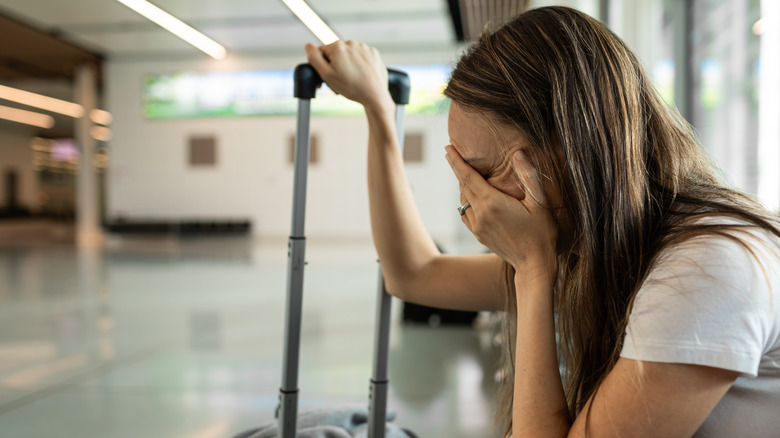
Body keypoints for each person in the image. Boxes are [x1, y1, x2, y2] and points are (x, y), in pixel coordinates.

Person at [304, 6, 780, 437]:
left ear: (567, 146)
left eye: (482, 172)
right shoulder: (599, 244)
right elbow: (414, 274)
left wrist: (533, 271)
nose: (474, 200)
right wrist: (379, 113)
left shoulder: (706, 268)